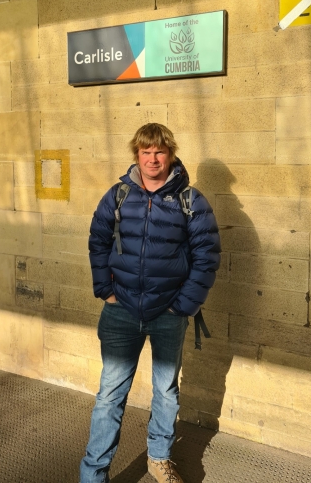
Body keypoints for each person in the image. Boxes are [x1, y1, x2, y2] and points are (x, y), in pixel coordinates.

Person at [80, 123, 221, 483]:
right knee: (110, 395)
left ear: (170, 154)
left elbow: (207, 256)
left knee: (166, 392)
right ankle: (93, 473)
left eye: (159, 151)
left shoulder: (191, 200)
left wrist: (183, 306)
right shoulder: (118, 196)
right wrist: (105, 290)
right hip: (119, 311)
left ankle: (158, 459)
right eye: (146, 152)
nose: (153, 158)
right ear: (137, 155)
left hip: (168, 315)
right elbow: (97, 241)